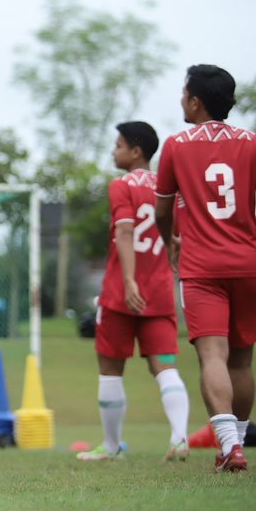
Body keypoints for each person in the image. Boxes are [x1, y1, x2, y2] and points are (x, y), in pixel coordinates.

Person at [155, 65, 256, 473]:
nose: (181, 99)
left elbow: (162, 209)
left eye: (183, 93)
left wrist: (171, 241)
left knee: (212, 355)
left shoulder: (177, 146)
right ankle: (237, 443)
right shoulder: (252, 143)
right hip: (249, 263)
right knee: (242, 361)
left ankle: (230, 447)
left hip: (201, 266)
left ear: (195, 101)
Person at [77, 121, 190, 462]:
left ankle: (111, 447)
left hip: (119, 295)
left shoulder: (120, 186)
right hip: (158, 295)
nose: (114, 151)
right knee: (165, 366)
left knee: (110, 370)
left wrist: (128, 281)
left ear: (136, 151)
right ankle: (180, 437)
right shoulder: (170, 190)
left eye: (119, 145)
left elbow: (124, 233)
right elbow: (179, 239)